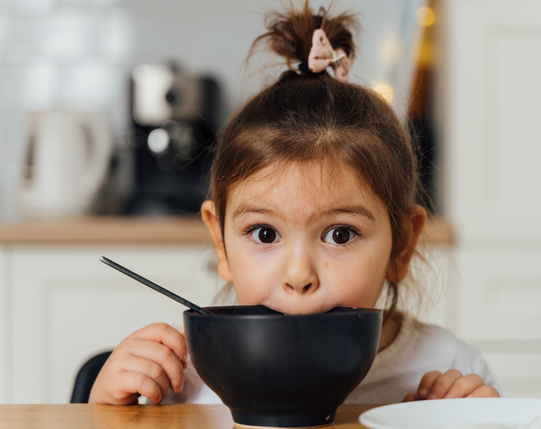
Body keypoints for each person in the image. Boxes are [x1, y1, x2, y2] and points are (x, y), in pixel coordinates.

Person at [89, 1, 500, 406]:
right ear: (220, 241)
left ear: (402, 245)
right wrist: (104, 409)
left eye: (340, 235)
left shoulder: (451, 369)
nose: (299, 276)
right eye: (265, 234)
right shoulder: (185, 377)